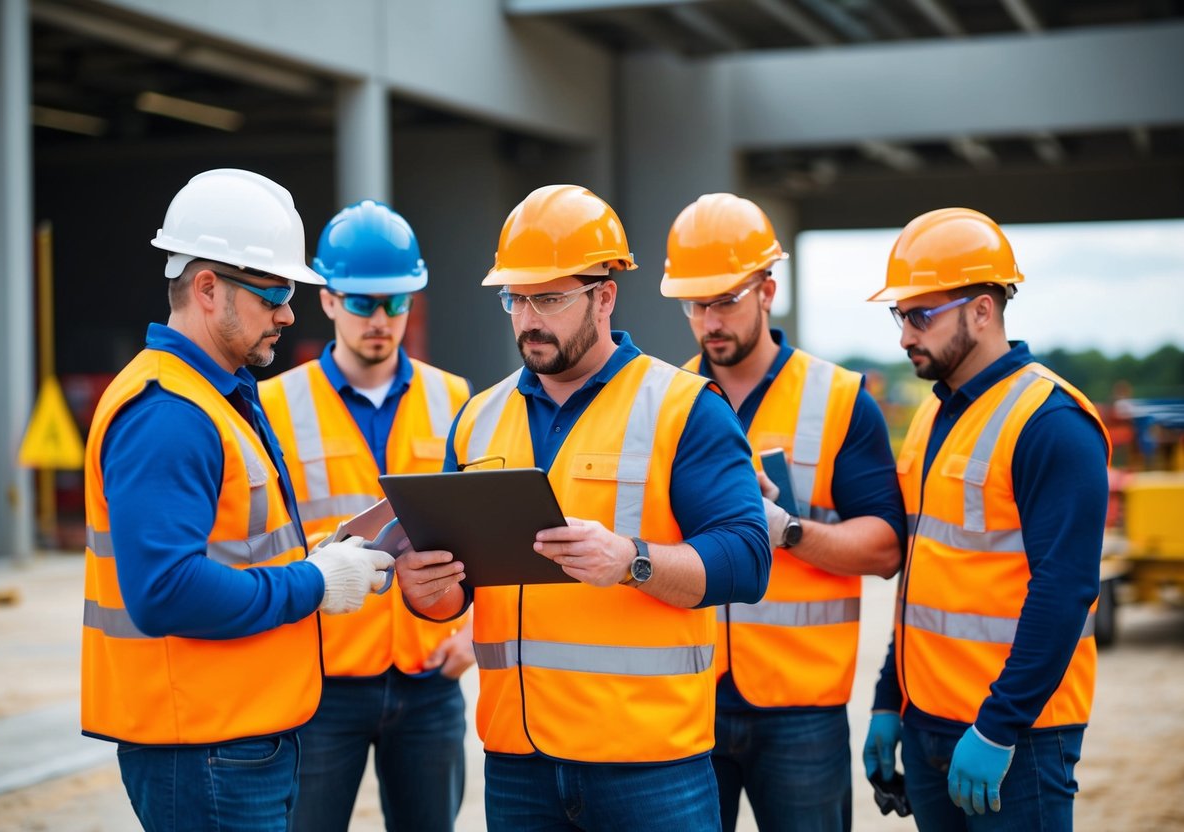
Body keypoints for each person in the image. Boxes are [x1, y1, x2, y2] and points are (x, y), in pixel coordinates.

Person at [394, 184, 772, 832]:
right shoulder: (476, 420)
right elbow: (450, 594)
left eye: (550, 297)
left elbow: (746, 559)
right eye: (515, 298)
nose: (528, 317)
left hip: (650, 768)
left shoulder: (684, 408)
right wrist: (423, 590)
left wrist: (632, 560)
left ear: (604, 295)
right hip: (517, 764)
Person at [82, 169, 394, 832]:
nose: (287, 311)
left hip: (234, 736)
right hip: (202, 746)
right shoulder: (167, 414)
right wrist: (312, 582)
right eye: (273, 292)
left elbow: (232, 549)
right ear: (206, 288)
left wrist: (317, 558)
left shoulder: (216, 397)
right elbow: (164, 591)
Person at [659, 193, 905, 831]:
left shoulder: (841, 400)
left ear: (768, 290)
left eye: (725, 300)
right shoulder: (662, 404)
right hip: (686, 693)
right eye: (695, 303)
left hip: (802, 709)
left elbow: (884, 549)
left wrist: (789, 532)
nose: (710, 320)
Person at [861, 207, 1111, 828]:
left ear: (982, 310)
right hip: (928, 724)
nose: (904, 336)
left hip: (1016, 739)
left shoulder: (1050, 423)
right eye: (900, 315)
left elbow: (1065, 592)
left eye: (921, 315)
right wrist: (890, 698)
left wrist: (998, 728)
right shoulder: (930, 416)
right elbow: (924, 577)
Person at [259, 200, 474, 831]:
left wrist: (470, 634)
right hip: (323, 677)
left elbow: (479, 527)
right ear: (327, 300)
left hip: (429, 672)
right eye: (361, 303)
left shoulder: (456, 399)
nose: (380, 320)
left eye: (396, 303)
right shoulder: (273, 404)